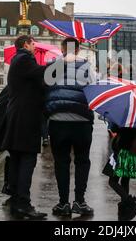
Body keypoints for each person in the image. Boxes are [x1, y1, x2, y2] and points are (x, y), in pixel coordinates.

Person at [45, 37, 95, 217]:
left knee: (61, 162)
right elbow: (94, 90)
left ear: (62, 48)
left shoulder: (52, 66)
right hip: (82, 121)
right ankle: (80, 201)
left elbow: (46, 89)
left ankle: (63, 203)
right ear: (79, 49)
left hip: (58, 120)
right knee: (82, 161)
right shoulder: (87, 67)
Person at [0, 35, 47, 219]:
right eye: (33, 43)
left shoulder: (18, 61)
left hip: (16, 118)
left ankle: (16, 201)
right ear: (26, 44)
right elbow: (42, 72)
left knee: (18, 160)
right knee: (27, 160)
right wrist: (62, 64)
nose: (35, 47)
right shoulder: (24, 58)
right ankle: (24, 204)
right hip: (24, 119)